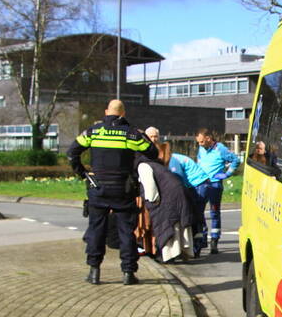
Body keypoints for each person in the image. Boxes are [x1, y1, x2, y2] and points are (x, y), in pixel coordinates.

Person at [67, 99, 157, 285]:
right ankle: (128, 273)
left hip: (98, 188)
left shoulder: (93, 132)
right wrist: (142, 137)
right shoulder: (131, 134)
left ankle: (94, 271)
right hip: (123, 189)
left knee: (96, 230)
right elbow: (153, 153)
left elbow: (71, 153)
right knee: (126, 231)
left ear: (106, 112)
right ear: (123, 114)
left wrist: (83, 173)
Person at [195, 128, 240, 254]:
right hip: (201, 184)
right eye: (198, 142)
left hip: (215, 185)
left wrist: (227, 174)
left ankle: (214, 241)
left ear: (209, 139)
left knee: (214, 212)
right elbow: (199, 162)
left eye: (202, 142)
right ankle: (202, 238)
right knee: (199, 212)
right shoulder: (201, 149)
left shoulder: (220, 149)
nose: (200, 144)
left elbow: (236, 160)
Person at [168, 150, 210, 257]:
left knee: (196, 216)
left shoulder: (173, 159)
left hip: (198, 184)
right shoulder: (175, 157)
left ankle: (198, 245)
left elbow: (177, 178)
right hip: (199, 184)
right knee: (198, 215)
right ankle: (200, 243)